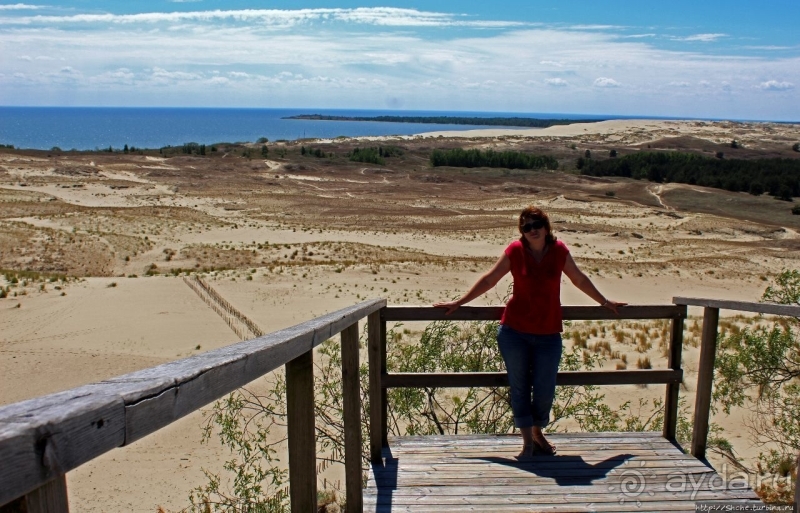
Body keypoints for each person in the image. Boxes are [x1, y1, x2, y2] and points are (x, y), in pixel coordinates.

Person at [433, 206, 626, 457]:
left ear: (546, 227)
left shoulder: (558, 251)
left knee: (545, 388)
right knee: (520, 386)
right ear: (521, 232)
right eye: (526, 227)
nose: (532, 230)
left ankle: (537, 432)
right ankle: (527, 442)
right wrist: (460, 302)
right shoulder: (515, 251)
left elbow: (578, 279)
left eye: (536, 225)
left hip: (548, 334)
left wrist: (604, 302)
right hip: (514, 331)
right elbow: (490, 279)